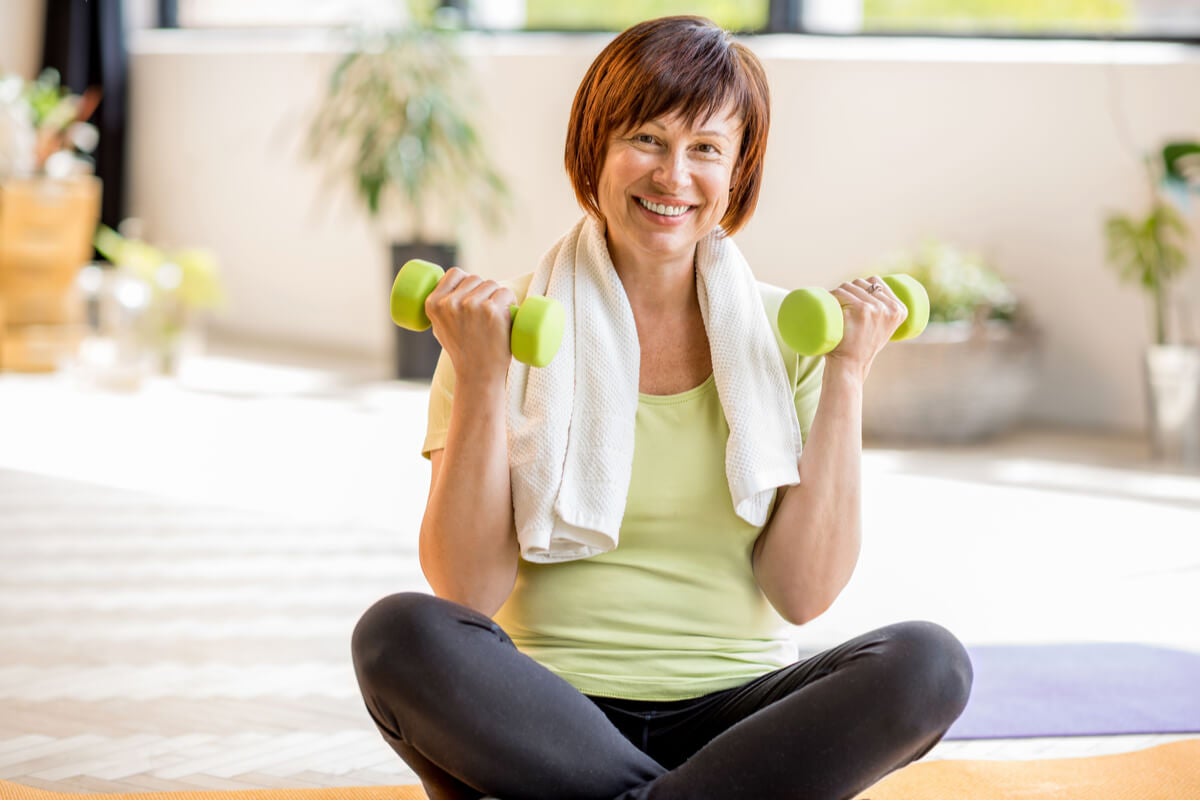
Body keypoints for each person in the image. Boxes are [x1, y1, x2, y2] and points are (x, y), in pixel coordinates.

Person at [352, 14, 972, 800]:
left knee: (930, 662)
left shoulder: (795, 342)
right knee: (398, 634)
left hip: (736, 719)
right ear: (594, 152)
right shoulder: (494, 331)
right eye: (646, 138)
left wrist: (847, 368)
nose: (674, 176)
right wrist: (479, 377)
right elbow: (466, 590)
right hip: (546, 719)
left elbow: (802, 592)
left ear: (736, 173)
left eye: (707, 148)